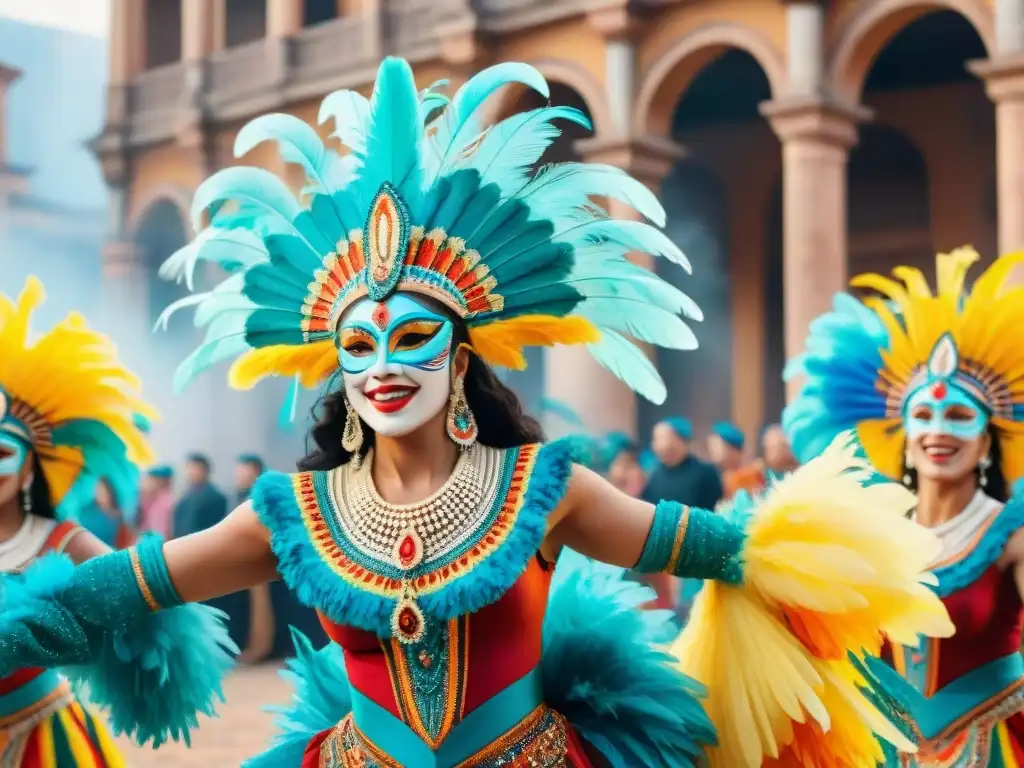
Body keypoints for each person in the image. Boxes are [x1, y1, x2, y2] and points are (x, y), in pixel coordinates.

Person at [1, 58, 952, 767]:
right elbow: (108, 594)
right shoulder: (292, 512)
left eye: (411, 338)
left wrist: (839, 590)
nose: (381, 366)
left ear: (460, 357)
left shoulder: (547, 488)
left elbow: (727, 554)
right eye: (358, 346)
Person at [783, 246, 1024, 765]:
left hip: (990, 748)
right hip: (877, 751)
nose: (939, 430)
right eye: (925, 415)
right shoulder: (869, 533)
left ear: (987, 441)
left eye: (959, 415)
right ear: (902, 433)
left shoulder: (1012, 534)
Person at [0, 276, 235, 764]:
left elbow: (146, 613)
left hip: (38, 739)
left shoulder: (61, 538)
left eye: (2, 451)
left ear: (29, 469)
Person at [643, 417, 723, 512]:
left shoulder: (706, 473)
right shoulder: (654, 476)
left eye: (662, 438)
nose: (655, 445)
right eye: (655, 439)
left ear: (682, 440)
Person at [172, 452, 227, 538]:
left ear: (205, 471)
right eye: (189, 468)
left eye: (195, 468)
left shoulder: (215, 497)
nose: (191, 472)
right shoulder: (186, 495)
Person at [707, 421, 764, 501]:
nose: (712, 450)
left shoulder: (751, 475)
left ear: (733, 448)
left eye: (717, 445)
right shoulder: (723, 475)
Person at [76, 476, 136, 549]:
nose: (101, 494)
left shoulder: (118, 515)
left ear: (110, 492)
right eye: (98, 490)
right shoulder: (86, 511)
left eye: (103, 490)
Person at [138, 464, 174, 536]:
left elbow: (160, 532)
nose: (147, 482)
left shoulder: (164, 502)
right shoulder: (153, 499)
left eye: (151, 479)